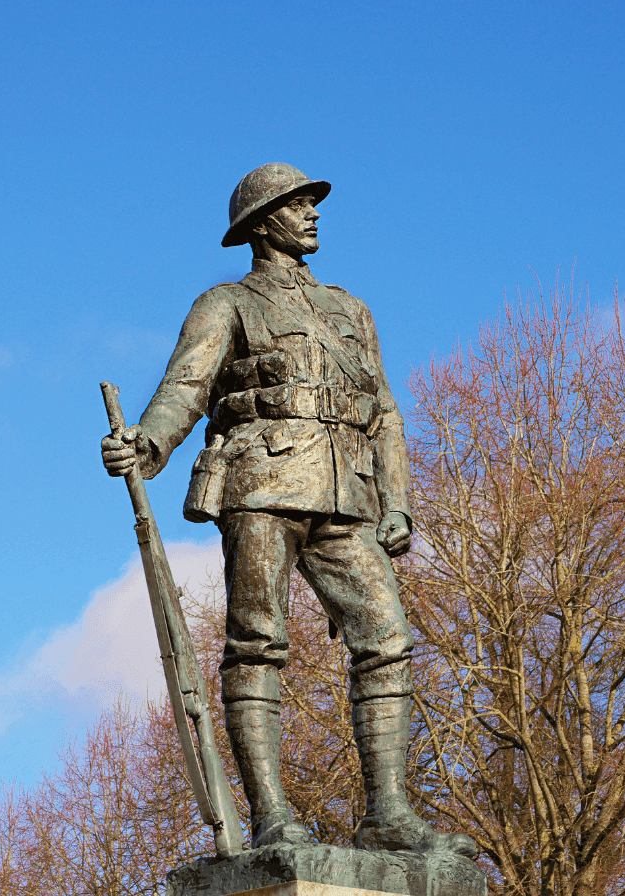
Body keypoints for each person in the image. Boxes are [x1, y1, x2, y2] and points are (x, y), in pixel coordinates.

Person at [102, 163, 475, 858]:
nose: (312, 214)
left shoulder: (351, 310)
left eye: (312, 203)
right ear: (261, 222)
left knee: (386, 637)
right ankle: (272, 816)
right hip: (262, 482)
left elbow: (386, 413)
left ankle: (387, 813)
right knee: (257, 643)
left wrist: (398, 502)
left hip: (346, 491)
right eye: (297, 204)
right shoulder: (227, 303)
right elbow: (186, 386)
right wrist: (146, 444)